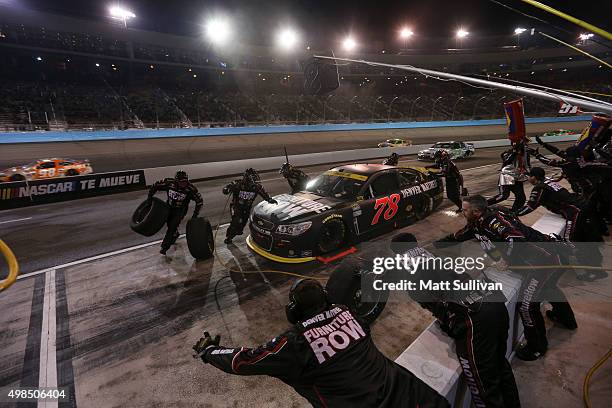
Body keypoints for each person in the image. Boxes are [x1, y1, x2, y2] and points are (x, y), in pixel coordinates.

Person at [193, 279, 450, 408]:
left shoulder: (294, 343)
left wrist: (210, 351)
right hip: (413, 393)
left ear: (292, 311)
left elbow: (243, 361)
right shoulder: (347, 313)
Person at [389, 233, 521, 408]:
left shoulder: (406, 268)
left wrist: (449, 322)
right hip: (493, 301)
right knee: (499, 364)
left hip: (475, 319)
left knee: (482, 385)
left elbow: (432, 302)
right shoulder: (430, 255)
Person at [436, 195, 574, 361]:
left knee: (526, 305)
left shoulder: (494, 220)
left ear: (477, 211)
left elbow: (515, 238)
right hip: (541, 261)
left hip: (547, 260)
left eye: (465, 210)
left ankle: (537, 347)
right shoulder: (475, 224)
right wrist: (430, 247)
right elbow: (456, 237)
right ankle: (567, 320)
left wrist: (505, 259)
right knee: (548, 289)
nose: (462, 212)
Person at [515, 167, 606, 282]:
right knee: (583, 237)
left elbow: (530, 207)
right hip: (582, 207)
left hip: (575, 212)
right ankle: (594, 264)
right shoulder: (549, 182)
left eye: (529, 176)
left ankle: (594, 271)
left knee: (570, 240)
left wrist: (514, 214)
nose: (528, 178)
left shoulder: (539, 188)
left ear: (534, 177)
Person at [148, 170, 203, 255]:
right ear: (176, 181)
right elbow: (154, 186)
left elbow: (199, 202)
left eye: (185, 181)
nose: (184, 184)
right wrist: (149, 199)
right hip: (168, 207)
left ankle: (164, 247)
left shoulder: (190, 189)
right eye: (181, 182)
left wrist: (195, 215)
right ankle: (175, 234)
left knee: (172, 227)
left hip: (180, 211)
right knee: (169, 223)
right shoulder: (169, 183)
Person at [222, 168, 277, 244]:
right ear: (247, 179)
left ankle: (238, 230)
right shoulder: (238, 183)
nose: (255, 182)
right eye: (253, 179)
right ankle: (229, 237)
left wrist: (270, 199)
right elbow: (226, 188)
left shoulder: (257, 187)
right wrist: (227, 189)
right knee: (237, 221)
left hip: (246, 208)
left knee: (243, 223)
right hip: (236, 206)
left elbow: (264, 194)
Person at [486, 146, 526, 212]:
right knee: (504, 195)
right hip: (507, 176)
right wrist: (514, 153)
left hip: (517, 177)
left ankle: (514, 212)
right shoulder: (510, 153)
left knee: (521, 197)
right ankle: (482, 205)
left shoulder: (525, 152)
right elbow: (506, 161)